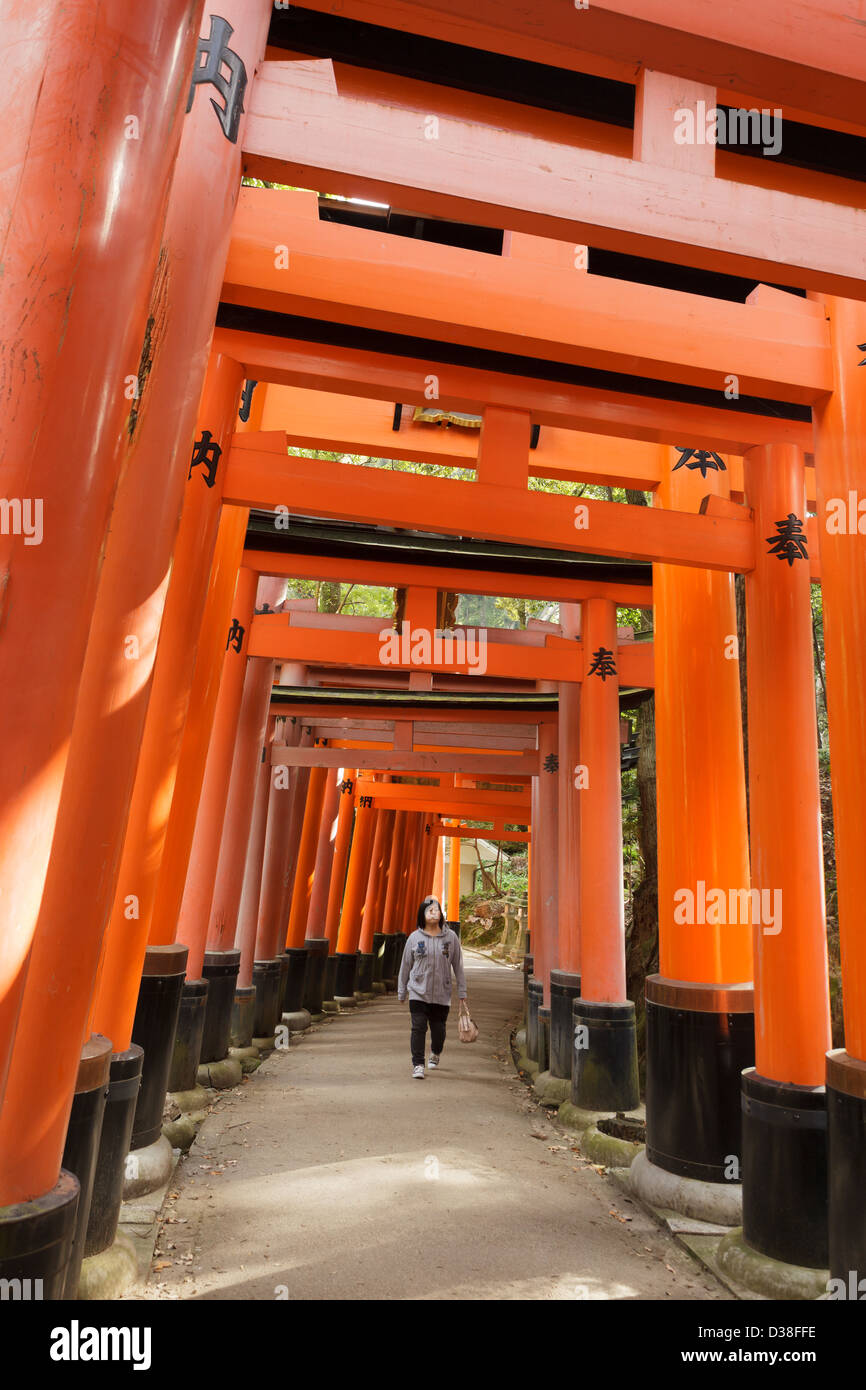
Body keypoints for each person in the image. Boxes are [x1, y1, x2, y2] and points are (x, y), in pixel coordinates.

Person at [397, 896, 467, 1079]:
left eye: (437, 910)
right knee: (418, 1027)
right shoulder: (414, 938)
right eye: (430, 910)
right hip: (418, 991)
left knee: (439, 1030)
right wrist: (402, 990)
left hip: (441, 993)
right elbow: (405, 965)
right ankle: (418, 1064)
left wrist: (462, 992)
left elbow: (458, 966)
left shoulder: (451, 938)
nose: (434, 912)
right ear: (422, 914)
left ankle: (436, 1052)